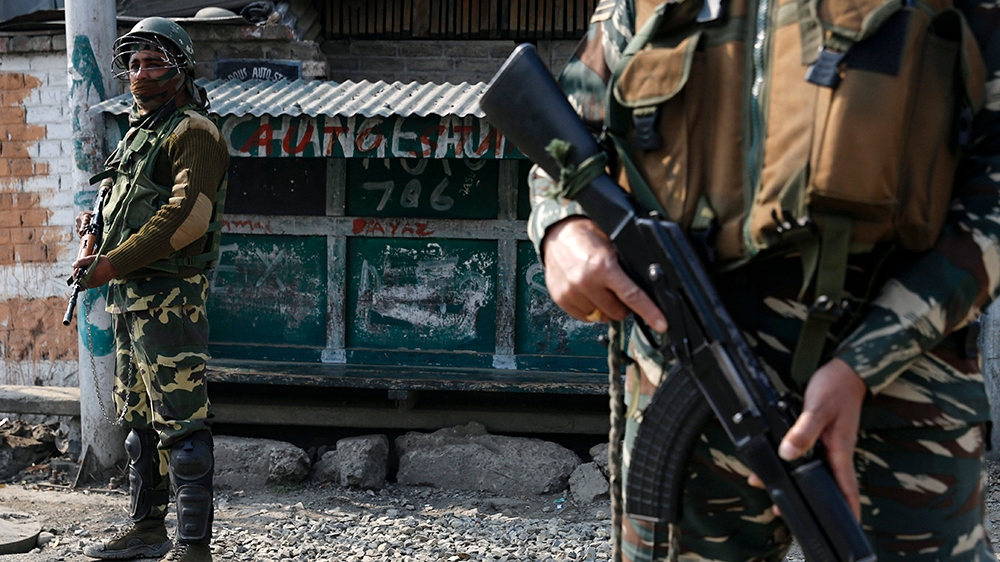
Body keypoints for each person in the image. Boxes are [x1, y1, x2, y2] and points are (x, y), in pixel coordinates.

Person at [529, 0, 1000, 560]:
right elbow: (567, 144)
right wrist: (562, 226)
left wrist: (863, 365)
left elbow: (990, 200)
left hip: (898, 400)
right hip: (686, 382)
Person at [76, 16, 229, 562]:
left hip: (170, 297)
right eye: (133, 63)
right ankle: (146, 531)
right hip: (130, 298)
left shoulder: (193, 131)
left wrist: (111, 264)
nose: (141, 74)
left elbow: (185, 218)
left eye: (155, 62)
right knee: (139, 424)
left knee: (182, 426)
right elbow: (121, 208)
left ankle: (194, 548)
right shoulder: (140, 132)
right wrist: (92, 241)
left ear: (182, 68)